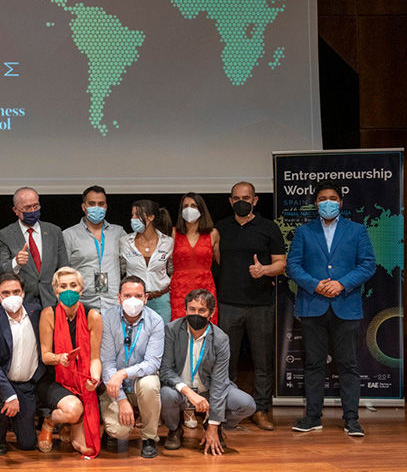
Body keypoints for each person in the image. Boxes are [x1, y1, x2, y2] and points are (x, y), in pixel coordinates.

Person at [286, 181, 376, 437]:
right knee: (314, 365)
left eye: (333, 198)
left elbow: (368, 264)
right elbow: (293, 266)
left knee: (348, 365)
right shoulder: (304, 232)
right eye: (323, 198)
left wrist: (341, 284)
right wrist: (315, 285)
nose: (328, 202)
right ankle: (312, 417)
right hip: (312, 306)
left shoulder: (357, 231)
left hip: (345, 306)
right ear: (315, 204)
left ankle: (351, 420)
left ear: (341, 202)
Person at [215, 181, 286, 431]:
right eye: (236, 198)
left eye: (246, 197)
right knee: (226, 361)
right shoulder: (220, 228)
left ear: (255, 200)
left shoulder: (268, 228)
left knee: (263, 361)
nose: (241, 201)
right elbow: (214, 260)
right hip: (227, 304)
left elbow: (281, 263)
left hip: (261, 305)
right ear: (230, 201)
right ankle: (226, 408)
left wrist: (264, 270)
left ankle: (262, 410)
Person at [160, 289, 256, 454]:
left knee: (247, 404)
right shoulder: (172, 330)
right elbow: (166, 370)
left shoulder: (221, 339)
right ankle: (174, 430)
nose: (195, 314)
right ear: (185, 310)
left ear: (211, 313)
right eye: (192, 309)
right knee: (166, 394)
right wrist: (188, 392)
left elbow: (220, 382)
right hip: (181, 391)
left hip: (209, 390)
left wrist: (213, 424)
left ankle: (216, 426)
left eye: (202, 310)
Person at [37, 268, 102, 457]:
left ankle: (69, 424)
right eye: (62, 286)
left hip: (82, 380)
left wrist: (94, 379)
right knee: (74, 410)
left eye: (73, 285)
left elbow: (95, 358)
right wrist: (59, 358)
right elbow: (45, 355)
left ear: (81, 289)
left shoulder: (93, 316)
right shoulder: (48, 314)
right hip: (55, 379)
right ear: (55, 291)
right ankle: (50, 422)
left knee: (86, 448)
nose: (68, 290)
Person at [99, 276, 164, 459]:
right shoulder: (107, 318)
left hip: (140, 381)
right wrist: (121, 399)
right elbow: (107, 363)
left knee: (150, 383)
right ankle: (110, 426)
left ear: (146, 298)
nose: (132, 300)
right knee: (118, 431)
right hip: (114, 385)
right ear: (118, 297)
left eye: (138, 295)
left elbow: (152, 363)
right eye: (127, 295)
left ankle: (149, 438)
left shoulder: (156, 321)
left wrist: (124, 373)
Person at [0, 274, 45, 455]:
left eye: (16, 292)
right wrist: (9, 395)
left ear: (23, 293)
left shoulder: (37, 313)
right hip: (1, 383)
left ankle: (17, 421)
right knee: (2, 408)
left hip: (27, 384)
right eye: (6, 293)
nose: (12, 296)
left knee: (28, 444)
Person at [0, 186, 69, 307]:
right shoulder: (5, 235)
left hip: (52, 301)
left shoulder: (54, 231)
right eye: (27, 207)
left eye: (36, 206)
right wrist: (16, 262)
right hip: (22, 304)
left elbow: (63, 268)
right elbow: (1, 271)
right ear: (16, 210)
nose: (33, 210)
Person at [63, 185, 126, 312]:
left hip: (114, 304)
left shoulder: (118, 232)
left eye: (101, 204)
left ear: (106, 207)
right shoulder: (69, 235)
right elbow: (64, 271)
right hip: (82, 304)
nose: (96, 208)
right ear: (83, 207)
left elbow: (127, 265)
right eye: (92, 204)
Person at [120, 199, 173, 321]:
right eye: (132, 215)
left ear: (151, 218)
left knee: (162, 338)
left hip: (160, 300)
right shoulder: (124, 242)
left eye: (137, 215)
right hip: (133, 300)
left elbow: (171, 269)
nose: (133, 218)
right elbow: (121, 269)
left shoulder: (168, 242)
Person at [171, 192, 220, 323]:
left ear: (201, 209)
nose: (189, 209)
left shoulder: (212, 234)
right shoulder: (173, 233)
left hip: (205, 288)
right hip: (179, 290)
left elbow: (221, 263)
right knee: (179, 330)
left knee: (206, 330)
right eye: (185, 206)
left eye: (193, 206)